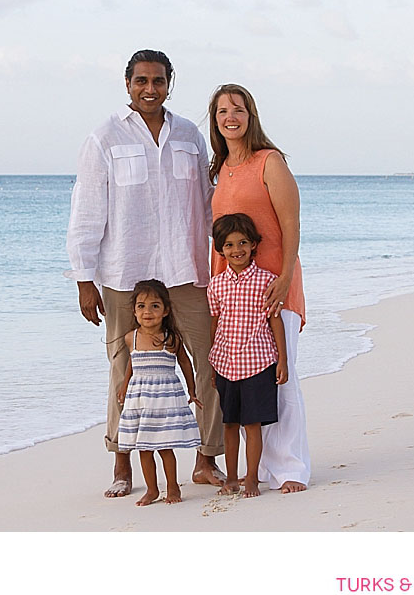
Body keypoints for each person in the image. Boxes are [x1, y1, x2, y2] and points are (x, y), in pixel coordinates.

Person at [65, 49, 225, 498]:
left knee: (209, 363)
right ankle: (122, 463)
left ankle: (207, 458)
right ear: (127, 83)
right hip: (124, 275)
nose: (150, 89)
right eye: (141, 81)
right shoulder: (104, 138)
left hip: (186, 272)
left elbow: (209, 201)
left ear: (170, 83)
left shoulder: (190, 135)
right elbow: (87, 210)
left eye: (158, 80)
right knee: (124, 371)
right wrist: (84, 279)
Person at [208, 83, 311, 493]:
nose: (230, 117)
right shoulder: (220, 170)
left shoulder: (270, 162)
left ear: (250, 115)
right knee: (245, 384)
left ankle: (291, 469)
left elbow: (291, 226)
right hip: (232, 292)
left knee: (280, 380)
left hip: (271, 289)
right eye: (221, 112)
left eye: (237, 109)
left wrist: (284, 279)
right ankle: (263, 468)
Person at [208, 214, 288, 498]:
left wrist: (283, 359)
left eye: (243, 242)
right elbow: (215, 323)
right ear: (220, 250)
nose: (236, 249)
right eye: (229, 245)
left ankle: (252, 478)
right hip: (226, 364)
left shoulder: (267, 281)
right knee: (229, 423)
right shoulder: (216, 285)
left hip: (258, 362)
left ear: (254, 245)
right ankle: (231, 478)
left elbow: (274, 320)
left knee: (252, 424)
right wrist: (212, 363)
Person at [116, 279, 203, 506]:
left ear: (165, 310)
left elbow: (185, 363)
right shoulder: (131, 337)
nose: (148, 312)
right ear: (134, 311)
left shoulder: (171, 338)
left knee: (165, 446)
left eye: (155, 306)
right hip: (141, 398)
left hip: (165, 397)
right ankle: (152, 489)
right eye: (141, 306)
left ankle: (172, 487)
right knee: (144, 448)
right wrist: (124, 386)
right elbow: (131, 364)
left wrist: (192, 390)